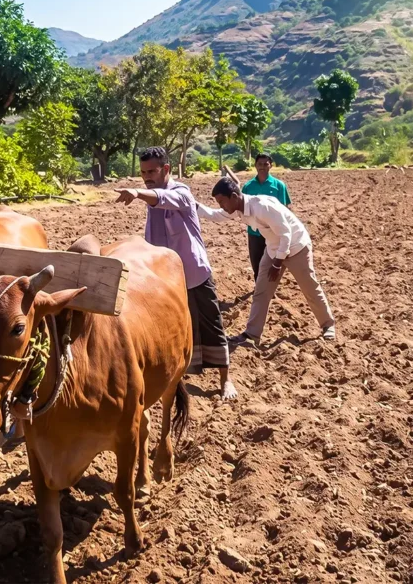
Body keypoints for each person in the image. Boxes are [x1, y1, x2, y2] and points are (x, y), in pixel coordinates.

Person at [114, 147, 239, 400]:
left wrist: (138, 193)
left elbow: (162, 198)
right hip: (165, 282)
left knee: (211, 324)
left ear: (166, 169)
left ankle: (226, 380)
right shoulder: (152, 197)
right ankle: (175, 377)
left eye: (152, 171)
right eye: (143, 172)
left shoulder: (181, 192)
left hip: (193, 274)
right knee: (173, 328)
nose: (146, 176)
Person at [197, 177, 336, 346]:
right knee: (261, 292)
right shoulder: (239, 208)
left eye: (222, 201)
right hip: (273, 249)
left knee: (309, 287)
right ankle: (252, 334)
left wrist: (277, 263)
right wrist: (193, 205)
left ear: (234, 196)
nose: (221, 206)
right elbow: (217, 215)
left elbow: (286, 234)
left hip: (296, 246)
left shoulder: (262, 207)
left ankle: (328, 325)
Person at [242, 154, 291, 281]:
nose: (262, 167)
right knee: (256, 262)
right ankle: (259, 286)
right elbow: (243, 208)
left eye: (265, 164)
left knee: (273, 261)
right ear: (255, 166)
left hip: (273, 232)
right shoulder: (248, 187)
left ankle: (269, 287)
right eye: (260, 164)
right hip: (255, 232)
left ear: (271, 166)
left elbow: (285, 209)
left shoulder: (279, 185)